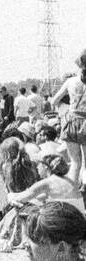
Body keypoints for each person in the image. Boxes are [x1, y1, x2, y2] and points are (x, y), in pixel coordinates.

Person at [8, 147, 85, 215]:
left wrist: (10, 196)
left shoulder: (45, 183)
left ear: (45, 166)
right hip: (78, 217)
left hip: (62, 220)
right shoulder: (68, 180)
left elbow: (21, 199)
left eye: (38, 164)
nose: (37, 168)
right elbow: (42, 196)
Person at [52, 50, 86, 190]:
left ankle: (72, 191)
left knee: (75, 162)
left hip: (71, 121)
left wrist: (66, 112)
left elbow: (54, 101)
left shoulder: (70, 81)